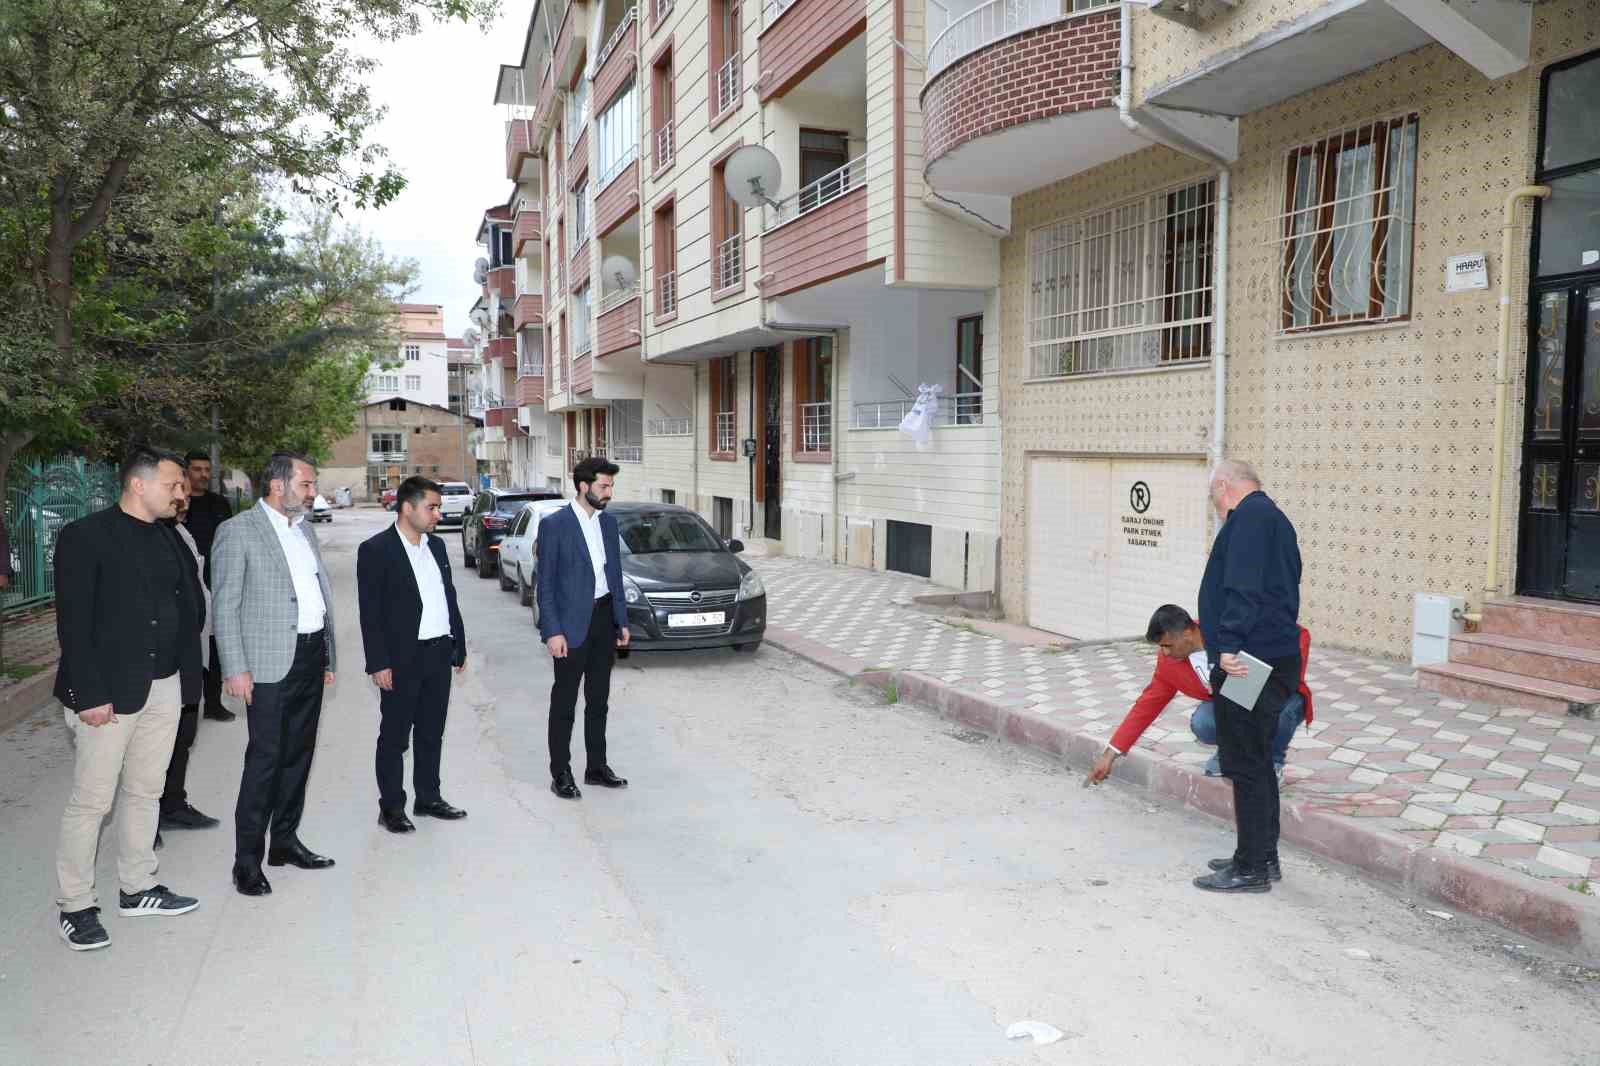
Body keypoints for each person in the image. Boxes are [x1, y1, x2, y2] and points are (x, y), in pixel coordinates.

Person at [52, 447, 204, 951]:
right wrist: (88, 695)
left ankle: (137, 887)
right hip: (107, 696)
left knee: (145, 792)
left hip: (160, 687)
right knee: (92, 802)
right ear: (138, 485)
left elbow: (184, 611)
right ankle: (75, 905)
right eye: (172, 484)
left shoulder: (167, 539)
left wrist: (187, 683)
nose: (180, 493)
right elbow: (73, 625)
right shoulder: (85, 536)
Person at [212, 452, 338, 897]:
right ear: (277, 485)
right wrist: (235, 667)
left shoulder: (304, 530)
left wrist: (326, 656)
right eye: (306, 484)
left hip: (307, 656)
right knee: (264, 762)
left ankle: (284, 842)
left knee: (298, 756)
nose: (312, 493)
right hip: (266, 666)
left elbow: (315, 594)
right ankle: (246, 863)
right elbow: (224, 605)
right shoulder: (237, 531)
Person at [1192, 460, 1303, 895]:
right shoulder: (1274, 518)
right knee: (1256, 758)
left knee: (1245, 762)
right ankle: (1263, 855)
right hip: (1268, 656)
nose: (1217, 509)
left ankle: (1251, 867)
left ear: (1224, 486)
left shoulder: (1249, 519)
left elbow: (1243, 588)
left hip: (1248, 662)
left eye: (1214, 500)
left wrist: (1228, 647)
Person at [1086, 606, 1314, 789]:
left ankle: (1271, 763)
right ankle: (1231, 751)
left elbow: (1300, 634)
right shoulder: (1169, 663)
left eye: (1168, 645)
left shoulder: (1228, 627)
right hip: (1232, 705)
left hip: (1276, 694)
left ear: (1187, 633)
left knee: (1282, 711)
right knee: (1203, 722)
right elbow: (1146, 706)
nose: (1164, 652)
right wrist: (1110, 755)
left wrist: (1277, 676)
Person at [357, 476, 469, 833]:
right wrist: (378, 662)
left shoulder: (435, 548)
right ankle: (391, 807)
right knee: (394, 737)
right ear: (408, 508)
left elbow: (447, 597)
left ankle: (428, 798)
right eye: (431, 507)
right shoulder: (376, 550)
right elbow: (370, 613)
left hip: (438, 653)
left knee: (431, 732)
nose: (438, 514)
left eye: (437, 507)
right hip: (402, 659)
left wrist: (458, 644)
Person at [536, 456, 630, 800]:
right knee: (564, 703)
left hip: (604, 619)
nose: (609, 492)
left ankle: (596, 767)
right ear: (583, 486)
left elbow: (614, 577)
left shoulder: (608, 524)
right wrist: (552, 631)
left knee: (599, 700)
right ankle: (560, 772)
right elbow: (544, 585)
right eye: (604, 486)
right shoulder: (555, 525)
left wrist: (621, 620)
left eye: (611, 486)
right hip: (571, 625)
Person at [157, 477, 222, 841]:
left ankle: (173, 803)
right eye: (175, 490)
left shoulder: (180, 532)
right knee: (159, 741)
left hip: (193, 649)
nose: (182, 497)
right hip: (169, 656)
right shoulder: (157, 535)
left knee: (184, 733)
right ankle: (148, 817)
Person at [182, 451, 236, 722]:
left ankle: (213, 703)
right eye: (197, 469)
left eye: (206, 469)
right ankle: (188, 705)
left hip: (216, 586)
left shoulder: (219, 504)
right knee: (191, 648)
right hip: (185, 588)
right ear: (186, 471)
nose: (203, 474)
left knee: (215, 647)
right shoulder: (178, 504)